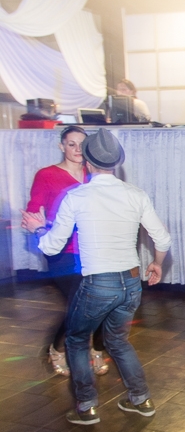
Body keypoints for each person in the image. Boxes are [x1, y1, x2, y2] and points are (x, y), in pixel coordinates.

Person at [20, 128, 172, 425]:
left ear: (88, 162)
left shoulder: (77, 196)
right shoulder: (135, 194)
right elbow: (163, 239)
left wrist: (38, 229)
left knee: (77, 340)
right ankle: (141, 399)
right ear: (116, 163)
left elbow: (51, 246)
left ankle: (86, 406)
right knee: (118, 342)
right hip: (131, 283)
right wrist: (157, 264)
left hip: (98, 283)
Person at [25, 125, 107, 377]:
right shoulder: (47, 174)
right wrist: (41, 226)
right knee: (77, 303)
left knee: (100, 301)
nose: (77, 149)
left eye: (82, 144)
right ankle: (57, 349)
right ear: (62, 146)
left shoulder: (94, 174)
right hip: (62, 250)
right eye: (71, 144)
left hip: (92, 248)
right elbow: (34, 211)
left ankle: (96, 348)